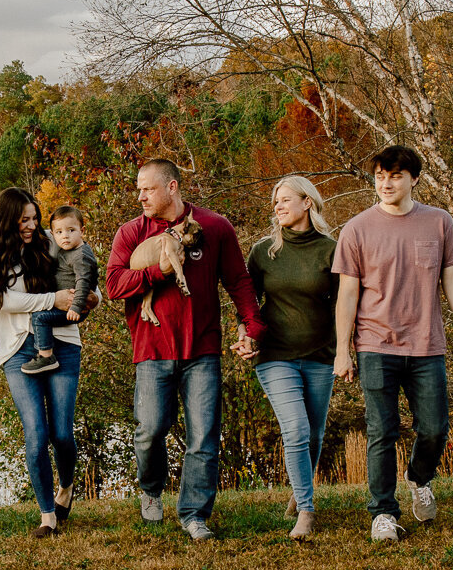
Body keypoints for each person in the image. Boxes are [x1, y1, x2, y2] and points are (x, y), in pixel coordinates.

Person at [104, 158, 265, 541]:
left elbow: (239, 281)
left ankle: (194, 515)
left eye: (148, 188)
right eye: (138, 188)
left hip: (202, 348)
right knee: (149, 430)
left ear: (172, 187)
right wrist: (157, 272)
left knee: (204, 436)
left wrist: (252, 326)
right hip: (152, 348)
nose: (140, 196)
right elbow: (113, 285)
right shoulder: (131, 233)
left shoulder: (214, 227)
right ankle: (151, 488)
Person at [333, 145, 453, 542]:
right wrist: (344, 350)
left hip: (427, 344)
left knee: (434, 428)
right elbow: (348, 293)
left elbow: (452, 281)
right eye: (379, 175)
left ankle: (419, 477)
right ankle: (383, 513)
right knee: (382, 430)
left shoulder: (439, 222)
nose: (386, 183)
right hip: (375, 344)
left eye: (394, 175)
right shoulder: (357, 228)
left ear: (413, 178)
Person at [0, 191, 100, 537]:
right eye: (24, 220)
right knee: (36, 433)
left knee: (62, 433)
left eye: (35, 218)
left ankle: (66, 487)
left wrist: (94, 298)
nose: (32, 226)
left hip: (61, 341)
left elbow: (84, 272)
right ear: (7, 218)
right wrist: (52, 299)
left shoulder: (51, 240)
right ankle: (47, 516)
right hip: (17, 349)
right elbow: (0, 298)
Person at [236, 175, 337, 541]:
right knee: (295, 429)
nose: (277, 206)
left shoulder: (331, 250)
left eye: (284, 200)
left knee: (314, 432)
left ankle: (299, 489)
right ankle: (307, 512)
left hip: (321, 354)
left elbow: (344, 305)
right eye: (275, 201)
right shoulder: (264, 252)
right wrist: (245, 337)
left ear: (307, 203)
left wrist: (347, 351)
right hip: (275, 353)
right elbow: (248, 307)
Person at [20, 205, 98, 376]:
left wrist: (76, 307)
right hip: (69, 304)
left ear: (82, 231)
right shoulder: (67, 250)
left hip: (75, 308)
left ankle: (46, 356)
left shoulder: (81, 255)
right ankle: (44, 352)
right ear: (53, 234)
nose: (65, 236)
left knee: (40, 318)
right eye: (59, 233)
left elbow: (84, 282)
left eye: (71, 230)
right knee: (41, 314)